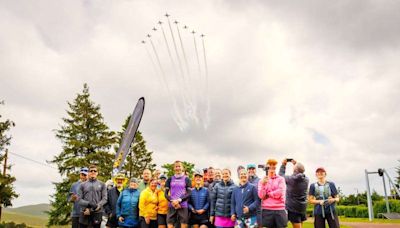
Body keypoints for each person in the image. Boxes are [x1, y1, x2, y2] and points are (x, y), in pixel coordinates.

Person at [279, 159, 309, 228]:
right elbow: (300, 173)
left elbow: (281, 176)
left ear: (295, 170)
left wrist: (283, 165)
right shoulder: (306, 179)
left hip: (293, 208)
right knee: (300, 225)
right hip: (302, 207)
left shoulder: (292, 179)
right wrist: (296, 164)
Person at [258, 159, 287, 228]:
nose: (272, 166)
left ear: (276, 167)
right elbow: (261, 196)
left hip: (280, 209)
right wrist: (263, 184)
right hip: (266, 210)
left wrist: (268, 194)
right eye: (270, 164)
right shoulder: (261, 181)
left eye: (274, 165)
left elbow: (280, 192)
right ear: (267, 167)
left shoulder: (281, 179)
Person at [165, 161, 192, 228]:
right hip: (172, 205)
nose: (178, 168)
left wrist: (179, 200)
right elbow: (165, 194)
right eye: (176, 166)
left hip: (182, 205)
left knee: (183, 225)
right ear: (174, 168)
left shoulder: (187, 179)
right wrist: (173, 201)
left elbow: (189, 193)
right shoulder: (170, 179)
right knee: (170, 225)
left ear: (182, 168)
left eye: (179, 166)